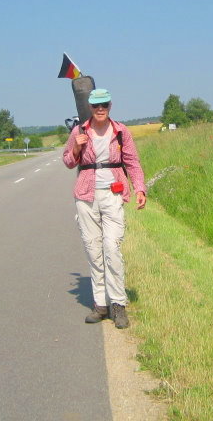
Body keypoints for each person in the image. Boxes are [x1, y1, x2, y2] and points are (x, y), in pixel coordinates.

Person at [63, 88, 147, 329]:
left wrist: (140, 188)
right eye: (96, 106)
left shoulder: (121, 131)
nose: (100, 109)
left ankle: (118, 304)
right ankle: (100, 305)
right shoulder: (79, 131)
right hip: (86, 195)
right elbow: (68, 162)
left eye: (104, 105)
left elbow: (132, 161)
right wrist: (77, 148)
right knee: (93, 249)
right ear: (90, 107)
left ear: (110, 106)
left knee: (111, 247)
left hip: (113, 193)